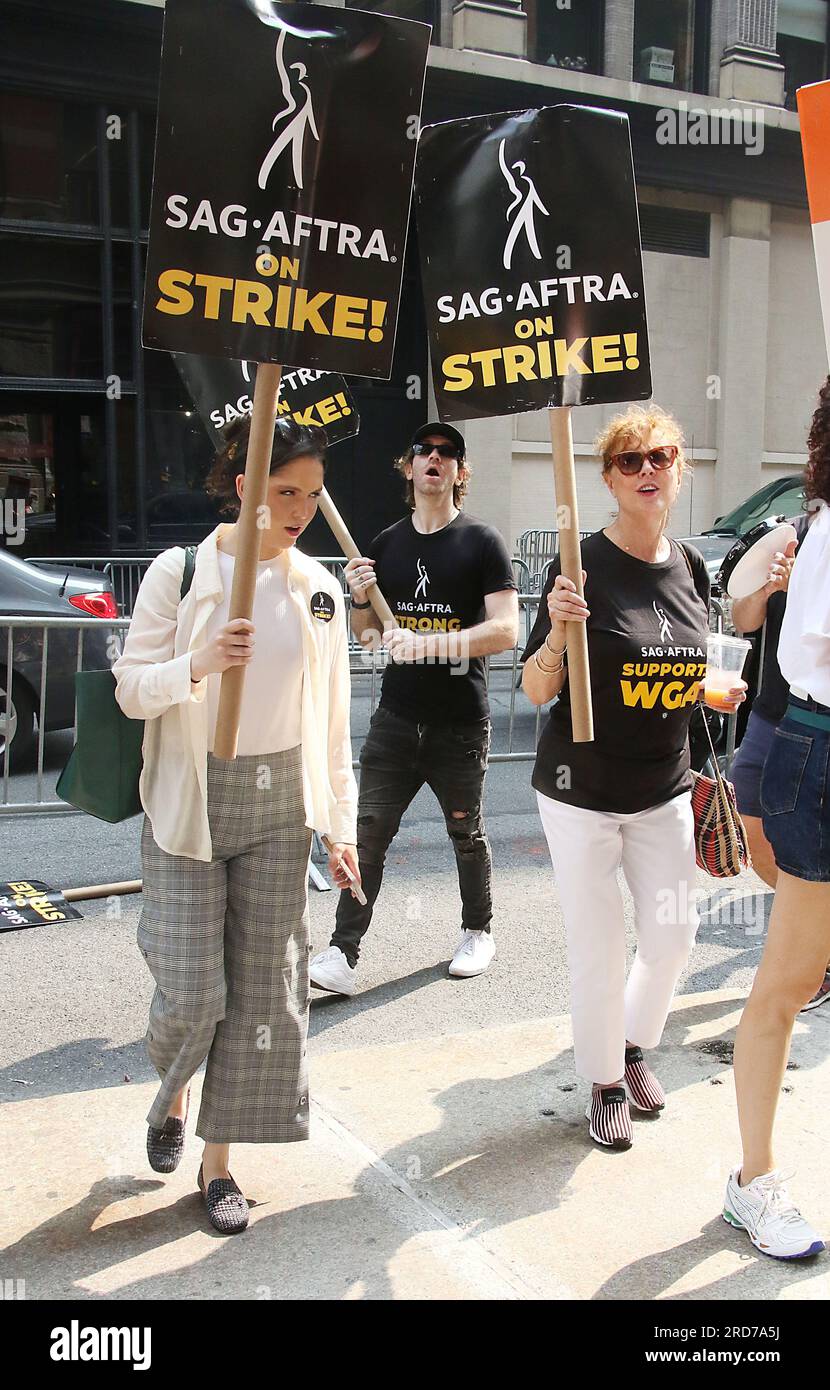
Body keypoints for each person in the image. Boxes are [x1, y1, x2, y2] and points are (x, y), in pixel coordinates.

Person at [113, 417, 358, 1235]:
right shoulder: (179, 572)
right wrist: (201, 662)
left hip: (280, 801)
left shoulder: (317, 588)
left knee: (263, 995)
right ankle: (170, 1094)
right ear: (244, 481)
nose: (298, 510)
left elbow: (330, 726)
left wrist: (340, 828)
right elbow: (130, 688)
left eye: (312, 496)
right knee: (191, 993)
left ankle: (219, 1164)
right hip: (187, 799)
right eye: (285, 490)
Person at [522, 405, 746, 1151]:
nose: (648, 470)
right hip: (579, 791)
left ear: (680, 469)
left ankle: (633, 1046)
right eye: (630, 460)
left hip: (665, 787)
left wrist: (711, 690)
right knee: (600, 945)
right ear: (609, 478)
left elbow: (683, 665)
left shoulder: (691, 565)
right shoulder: (579, 564)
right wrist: (557, 630)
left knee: (674, 933)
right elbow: (533, 689)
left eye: (662, 456)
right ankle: (604, 1081)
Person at [309, 422, 519, 995]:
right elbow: (371, 638)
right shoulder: (384, 545)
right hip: (397, 718)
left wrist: (433, 644)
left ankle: (478, 930)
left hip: (458, 720)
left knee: (465, 832)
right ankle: (342, 953)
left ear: (458, 471)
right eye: (423, 450)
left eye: (446, 453)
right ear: (408, 468)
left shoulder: (482, 541)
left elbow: (506, 630)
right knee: (367, 832)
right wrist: (358, 599)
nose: (433, 458)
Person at [726, 378, 830, 1260]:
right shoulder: (813, 530)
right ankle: (753, 1180)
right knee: (787, 984)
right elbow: (760, 622)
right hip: (814, 745)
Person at [729, 511, 830, 1010]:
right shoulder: (789, 534)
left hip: (818, 719)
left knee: (811, 848)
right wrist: (773, 589)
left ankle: (817, 957)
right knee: (753, 833)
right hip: (770, 714)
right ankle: (816, 934)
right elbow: (743, 620)